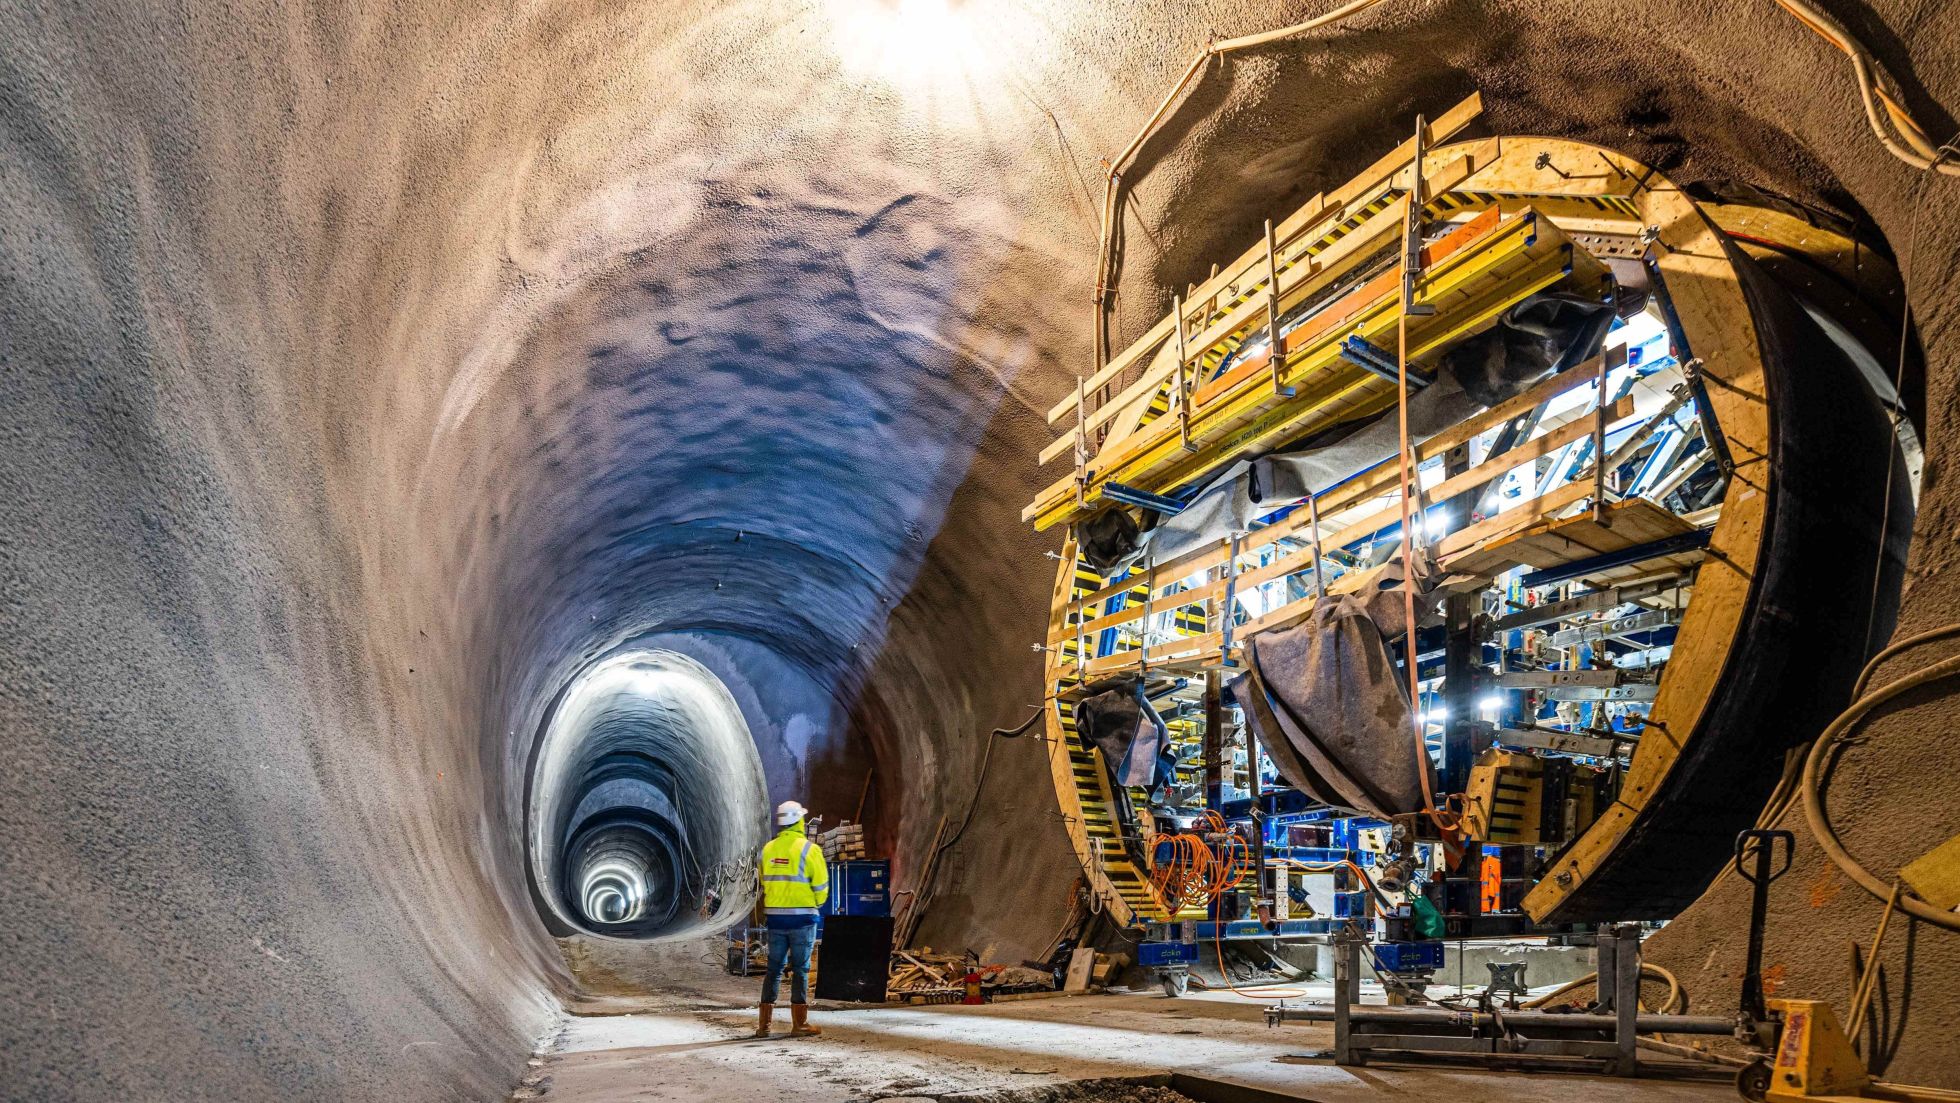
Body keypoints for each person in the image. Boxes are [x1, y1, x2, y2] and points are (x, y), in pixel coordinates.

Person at [754, 799, 829, 1038]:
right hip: (803, 920)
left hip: (775, 921)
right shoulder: (809, 850)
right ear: (799, 820)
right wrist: (814, 904)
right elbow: (821, 887)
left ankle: (764, 1026)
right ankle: (799, 1024)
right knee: (801, 970)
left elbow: (764, 882)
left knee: (773, 970)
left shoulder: (767, 850)